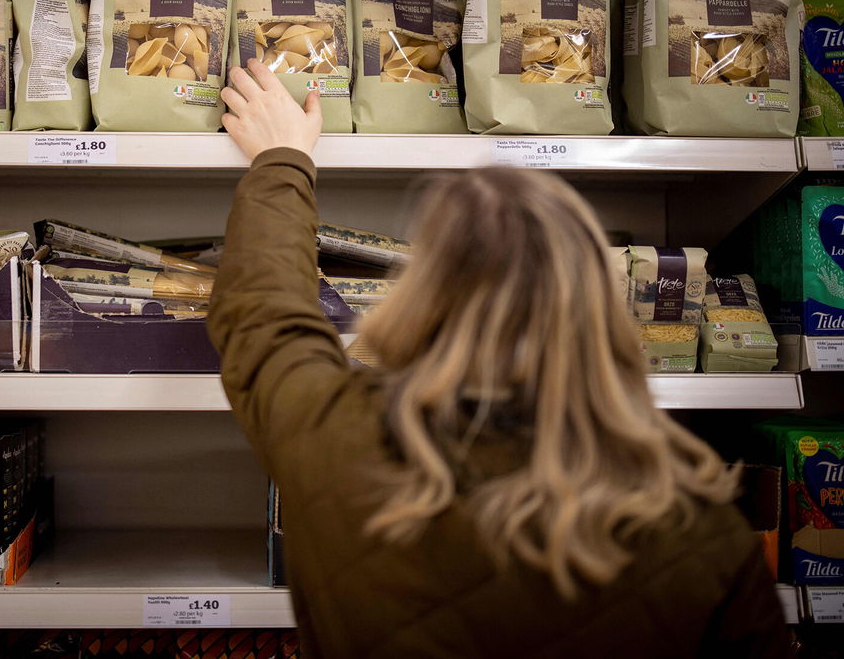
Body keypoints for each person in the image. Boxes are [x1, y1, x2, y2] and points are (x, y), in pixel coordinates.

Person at [207, 59, 791, 659]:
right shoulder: (700, 532)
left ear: (419, 299)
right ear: (600, 314)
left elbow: (264, 318)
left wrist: (281, 160)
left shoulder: (341, 446)